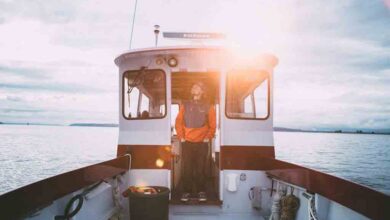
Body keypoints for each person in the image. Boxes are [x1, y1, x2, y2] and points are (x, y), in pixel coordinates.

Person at [175, 81, 216, 202]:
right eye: (193, 86)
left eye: (197, 86)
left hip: (202, 143)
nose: (194, 87)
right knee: (187, 168)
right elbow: (178, 122)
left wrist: (207, 137)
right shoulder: (185, 105)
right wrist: (181, 136)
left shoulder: (209, 106)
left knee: (200, 168)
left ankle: (201, 191)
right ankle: (186, 192)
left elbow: (213, 125)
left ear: (202, 91)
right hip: (187, 142)